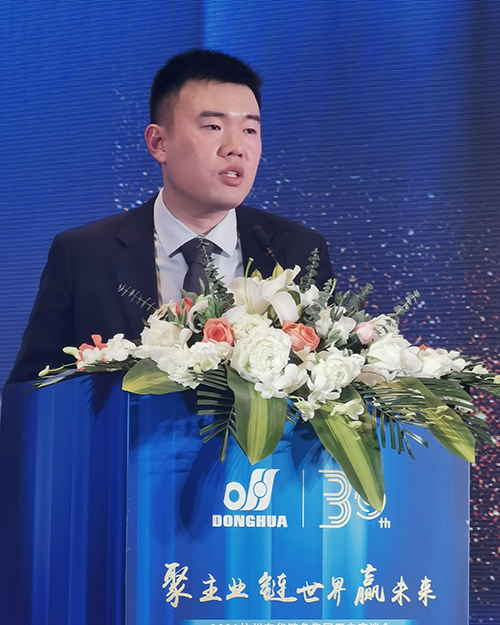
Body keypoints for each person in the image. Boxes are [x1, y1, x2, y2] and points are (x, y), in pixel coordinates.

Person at [8, 49, 333, 383]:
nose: (236, 147)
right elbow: (30, 391)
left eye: (250, 130)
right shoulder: (84, 256)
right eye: (213, 126)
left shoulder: (297, 251)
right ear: (159, 142)